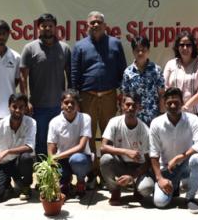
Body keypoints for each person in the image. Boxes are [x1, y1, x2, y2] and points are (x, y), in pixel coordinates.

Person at [71, 11, 127, 186]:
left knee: (109, 136)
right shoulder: (80, 46)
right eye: (92, 23)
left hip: (110, 96)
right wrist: (75, 100)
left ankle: (107, 172)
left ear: (105, 25)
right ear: (87, 26)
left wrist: (122, 96)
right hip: (88, 97)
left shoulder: (115, 44)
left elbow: (122, 71)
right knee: (87, 137)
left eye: (99, 22)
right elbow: (74, 74)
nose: (95, 25)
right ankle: (92, 173)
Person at [20, 13, 72, 157]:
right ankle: (43, 173)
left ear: (56, 28)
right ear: (38, 28)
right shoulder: (30, 48)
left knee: (60, 140)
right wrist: (26, 101)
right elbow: (23, 77)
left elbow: (70, 76)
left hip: (59, 107)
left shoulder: (65, 48)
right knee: (41, 141)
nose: (47, 28)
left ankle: (60, 172)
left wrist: (70, 100)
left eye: (50, 26)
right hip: (38, 107)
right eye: (44, 26)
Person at [150, 87, 198, 214]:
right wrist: (160, 179)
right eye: (169, 103)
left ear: (182, 102)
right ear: (164, 104)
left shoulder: (193, 119)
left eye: (176, 102)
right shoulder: (156, 123)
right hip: (166, 168)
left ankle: (190, 198)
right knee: (160, 202)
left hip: (186, 165)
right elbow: (153, 153)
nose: (173, 105)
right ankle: (172, 186)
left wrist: (180, 157)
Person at [100, 93, 154, 205]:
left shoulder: (145, 130)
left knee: (147, 189)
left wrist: (132, 176)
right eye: (127, 105)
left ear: (139, 108)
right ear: (122, 106)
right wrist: (125, 151)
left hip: (138, 167)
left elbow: (148, 162)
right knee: (105, 159)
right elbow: (103, 147)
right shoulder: (114, 122)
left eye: (134, 106)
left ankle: (137, 187)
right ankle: (115, 190)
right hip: (120, 163)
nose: (130, 108)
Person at [0, 93, 36, 203]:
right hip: (2, 165)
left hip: (19, 164)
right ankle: (8, 187)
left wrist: (7, 151)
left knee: (26, 157)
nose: (17, 110)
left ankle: (25, 186)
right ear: (9, 107)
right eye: (14, 106)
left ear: (25, 108)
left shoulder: (31, 123)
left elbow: (29, 147)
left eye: (21, 107)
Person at [47, 90, 93, 198]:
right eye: (66, 102)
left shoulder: (85, 118)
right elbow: (51, 148)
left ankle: (81, 182)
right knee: (62, 189)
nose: (70, 105)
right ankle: (66, 182)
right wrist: (52, 162)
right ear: (61, 104)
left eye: (73, 102)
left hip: (81, 158)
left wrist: (56, 156)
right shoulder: (54, 122)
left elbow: (81, 147)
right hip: (62, 160)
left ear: (78, 104)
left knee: (77, 159)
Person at [163, 31, 198, 125]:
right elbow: (165, 87)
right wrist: (175, 106)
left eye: (188, 45)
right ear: (177, 47)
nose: (185, 48)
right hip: (173, 112)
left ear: (193, 47)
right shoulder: (170, 64)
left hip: (195, 113)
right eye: (182, 45)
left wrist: (185, 107)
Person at [121, 36, 165, 126]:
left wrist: (162, 114)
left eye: (143, 50)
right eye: (137, 50)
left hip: (153, 117)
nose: (140, 53)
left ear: (148, 51)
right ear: (133, 52)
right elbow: (125, 96)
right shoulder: (128, 72)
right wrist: (124, 115)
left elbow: (161, 94)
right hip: (134, 117)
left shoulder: (156, 70)